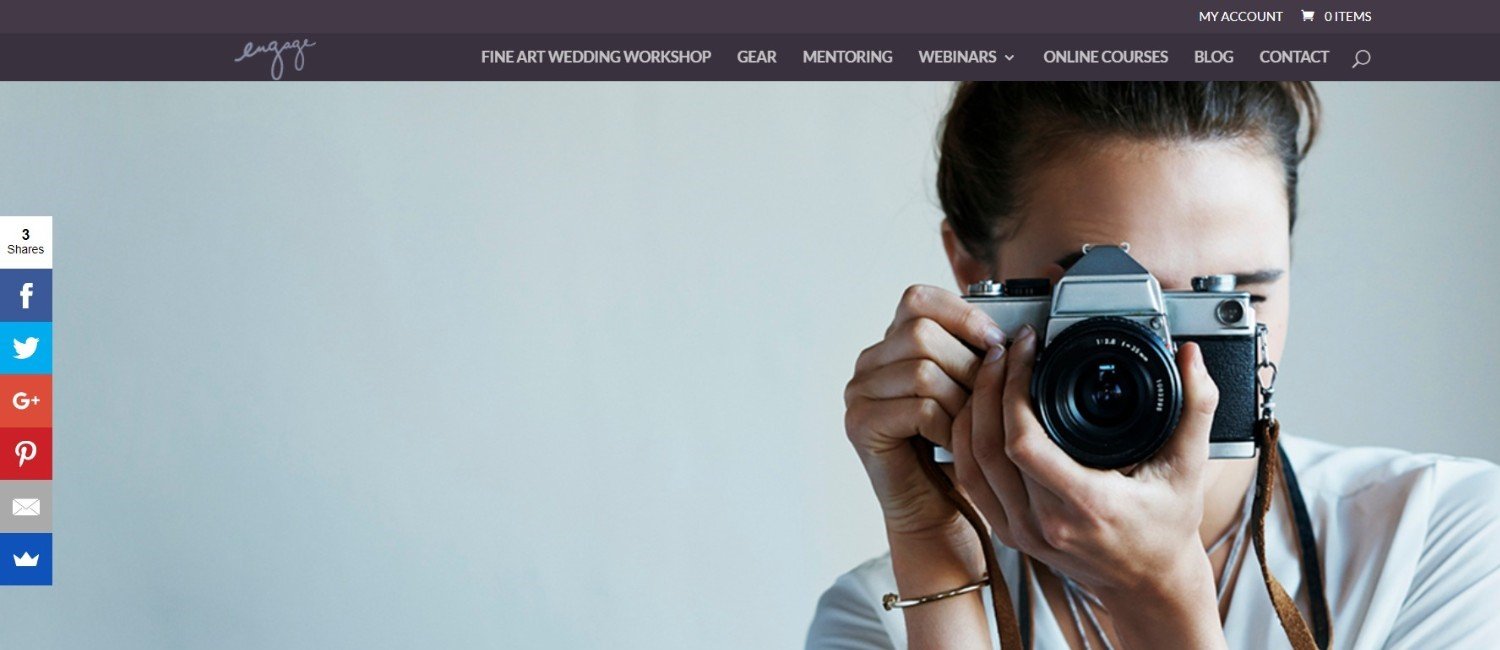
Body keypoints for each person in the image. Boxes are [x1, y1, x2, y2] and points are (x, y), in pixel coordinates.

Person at [807, 82, 1500, 649]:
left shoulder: (1438, 541)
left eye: (1230, 299)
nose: (1165, 362)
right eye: (1103, 303)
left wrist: (1158, 594)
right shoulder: (880, 615)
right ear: (971, 276)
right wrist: (933, 548)